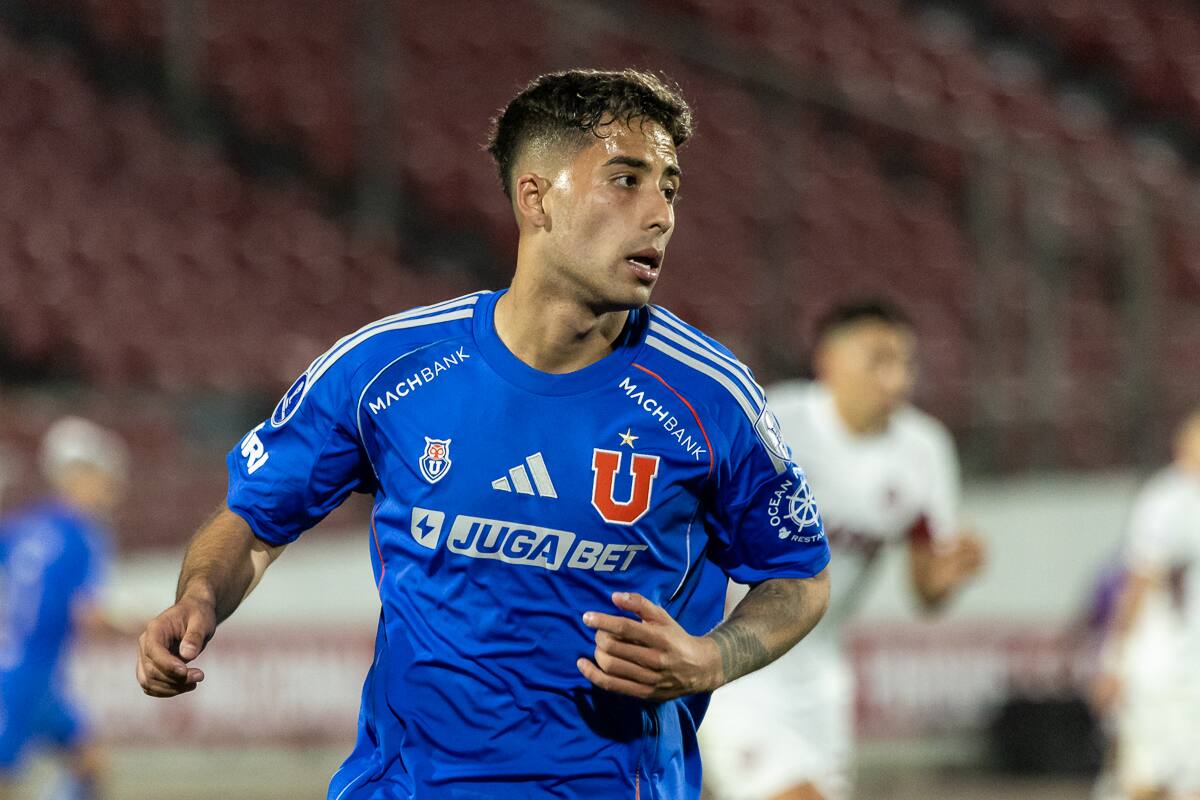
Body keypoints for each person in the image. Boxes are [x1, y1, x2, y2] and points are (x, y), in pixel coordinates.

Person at [135, 68, 831, 799]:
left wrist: (710, 659)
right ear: (536, 198)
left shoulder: (711, 399)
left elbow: (799, 575)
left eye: (671, 187)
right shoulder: (388, 369)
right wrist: (199, 600)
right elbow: (252, 520)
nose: (660, 214)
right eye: (627, 180)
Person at [700, 301, 985, 800]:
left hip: (821, 671)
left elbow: (926, 593)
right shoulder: (774, 423)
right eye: (879, 360)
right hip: (739, 655)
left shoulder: (924, 450)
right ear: (829, 360)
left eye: (905, 363)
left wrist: (953, 572)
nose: (896, 379)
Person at [0, 417, 129, 800]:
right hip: (26, 678)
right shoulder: (83, 534)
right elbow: (87, 614)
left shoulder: (20, 527)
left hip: (32, 674)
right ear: (78, 476)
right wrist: (143, 626)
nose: (109, 486)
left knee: (91, 762)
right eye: (101, 475)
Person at [1092, 408, 1200, 800]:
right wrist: (1113, 661)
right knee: (1144, 783)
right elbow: (1136, 586)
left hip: (1192, 672)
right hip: (1161, 669)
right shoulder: (1166, 499)